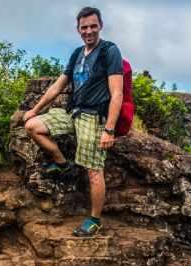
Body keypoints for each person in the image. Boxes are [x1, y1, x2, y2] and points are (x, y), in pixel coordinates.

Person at [22, 6, 123, 237]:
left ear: (100, 26)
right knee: (32, 127)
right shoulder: (77, 54)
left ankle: (95, 219)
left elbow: (117, 94)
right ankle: (61, 162)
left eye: (93, 26)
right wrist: (34, 110)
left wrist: (109, 129)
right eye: (84, 27)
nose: (89, 31)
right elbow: (58, 85)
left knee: (94, 171)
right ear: (78, 29)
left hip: (94, 117)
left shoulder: (109, 51)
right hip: (72, 112)